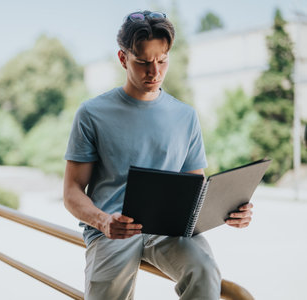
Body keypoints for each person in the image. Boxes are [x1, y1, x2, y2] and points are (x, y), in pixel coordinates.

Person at [63, 11, 253, 300]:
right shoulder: (92, 114)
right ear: (123, 58)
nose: (154, 72)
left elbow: (195, 189)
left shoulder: (185, 116)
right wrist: (102, 221)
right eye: (143, 62)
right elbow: (72, 191)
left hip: (169, 231)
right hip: (112, 231)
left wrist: (230, 210)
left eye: (162, 61)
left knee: (205, 271)